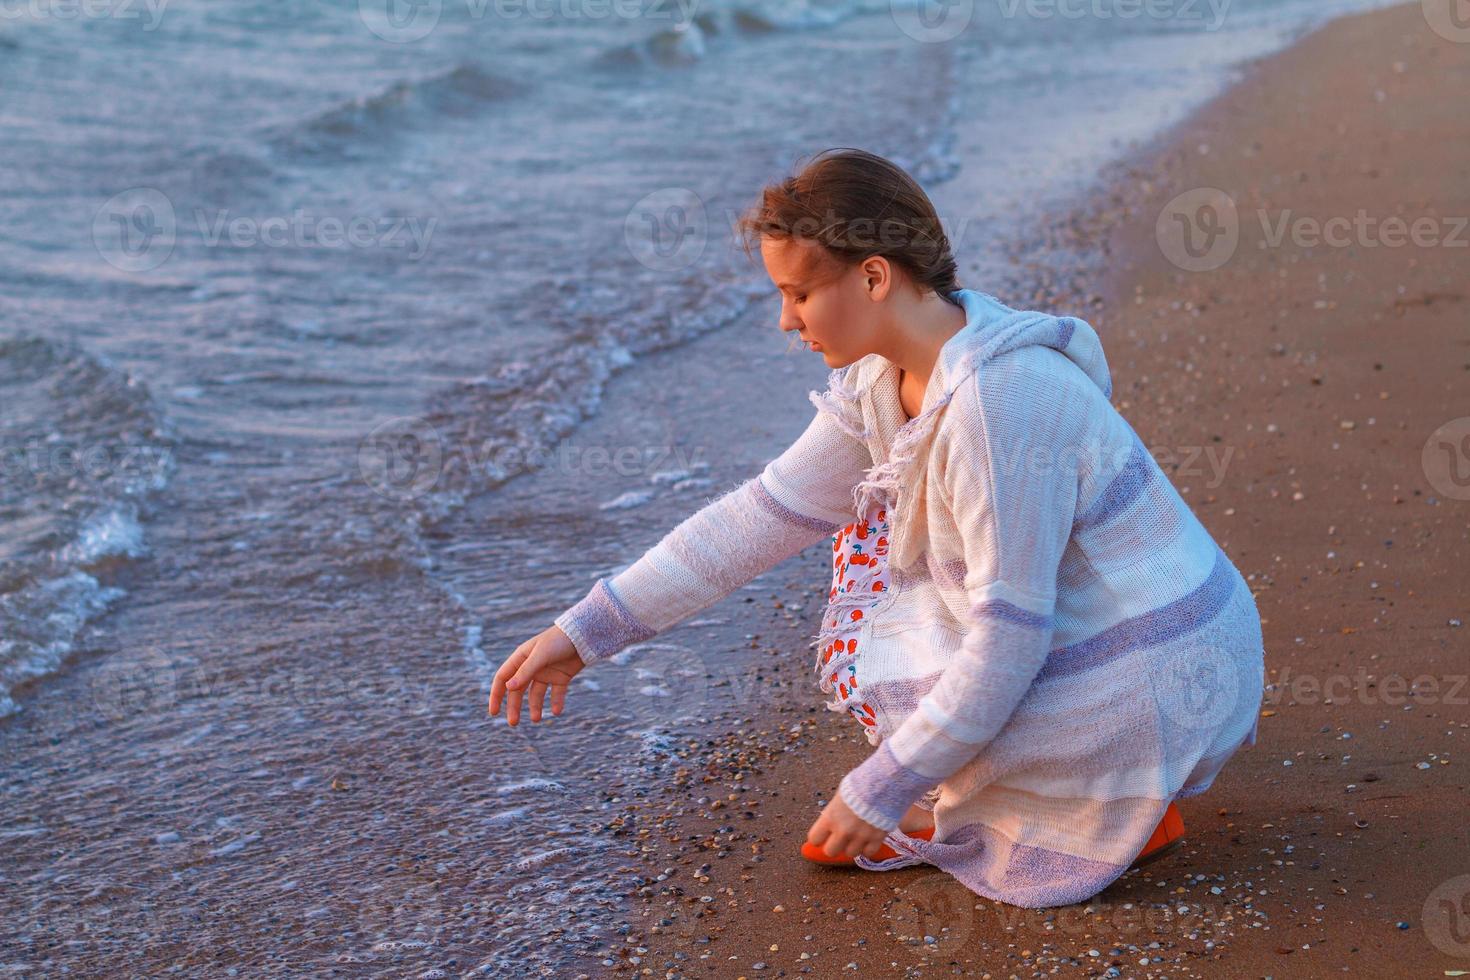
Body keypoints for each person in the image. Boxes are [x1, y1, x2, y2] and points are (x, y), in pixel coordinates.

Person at [488, 147, 1264, 908]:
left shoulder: (999, 403)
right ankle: (1080, 789)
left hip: (1163, 672)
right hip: (1127, 643)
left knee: (920, 639)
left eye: (797, 294)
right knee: (892, 615)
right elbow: (758, 516)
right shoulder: (885, 380)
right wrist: (585, 632)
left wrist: (881, 789)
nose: (786, 321)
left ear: (873, 274)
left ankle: (1107, 796)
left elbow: (1011, 639)